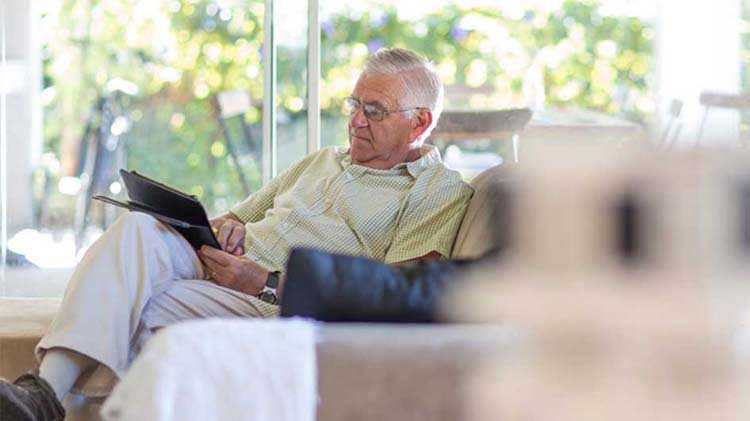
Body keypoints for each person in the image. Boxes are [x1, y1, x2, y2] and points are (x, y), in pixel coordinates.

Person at [0, 47, 473, 420]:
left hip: (273, 302)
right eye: (354, 104)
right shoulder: (321, 160)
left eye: (374, 110)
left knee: (140, 307)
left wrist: (263, 280)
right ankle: (41, 397)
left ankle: (48, 399)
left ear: (420, 122)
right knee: (139, 226)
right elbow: (236, 218)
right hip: (221, 270)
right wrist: (226, 229)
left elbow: (391, 289)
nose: (355, 120)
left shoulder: (437, 191)